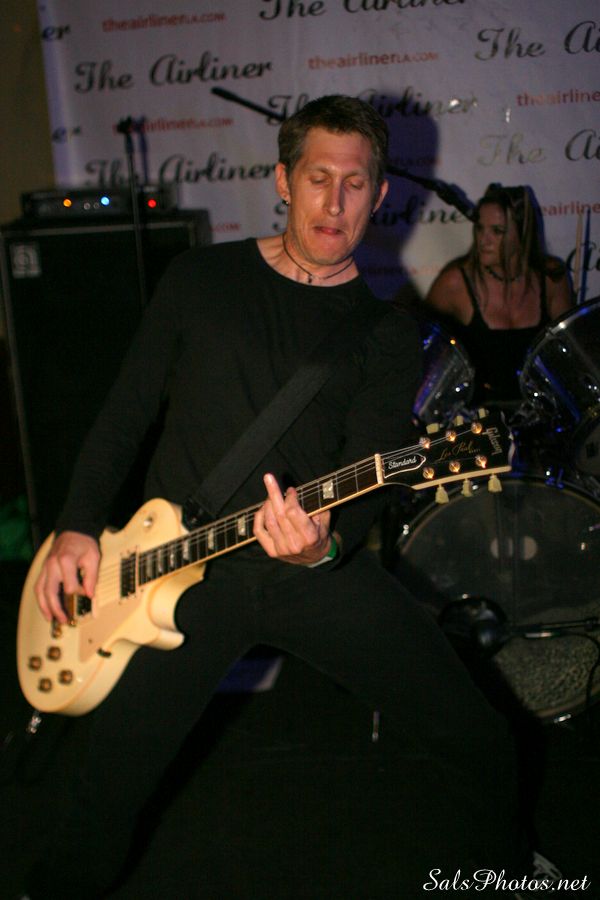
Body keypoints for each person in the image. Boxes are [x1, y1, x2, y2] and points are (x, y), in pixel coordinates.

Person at [25, 96, 527, 898]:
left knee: (480, 740)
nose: (335, 202)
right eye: (318, 178)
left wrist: (325, 545)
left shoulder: (385, 333)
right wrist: (77, 525)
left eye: (355, 183)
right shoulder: (200, 280)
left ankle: (501, 881)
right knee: (105, 787)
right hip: (174, 570)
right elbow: (124, 413)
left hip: (309, 575)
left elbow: (369, 474)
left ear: (378, 195)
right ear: (283, 181)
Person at [424, 183, 572, 407]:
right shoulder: (455, 282)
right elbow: (422, 347)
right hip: (479, 416)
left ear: (522, 233)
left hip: (540, 413)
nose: (483, 240)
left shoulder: (551, 277)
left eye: (497, 231)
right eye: (479, 228)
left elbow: (569, 354)